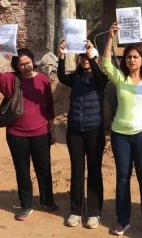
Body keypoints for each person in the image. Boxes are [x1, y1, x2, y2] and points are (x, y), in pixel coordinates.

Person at [101, 22, 142, 238]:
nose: (131, 60)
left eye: (135, 57)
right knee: (122, 178)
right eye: (128, 57)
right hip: (120, 134)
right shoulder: (120, 79)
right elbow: (105, 63)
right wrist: (111, 38)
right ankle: (123, 220)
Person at [0, 44, 59, 221]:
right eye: (21, 64)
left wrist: (51, 128)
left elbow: (49, 106)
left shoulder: (43, 80)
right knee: (22, 170)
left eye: (28, 62)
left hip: (41, 132)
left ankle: (47, 201)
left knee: (43, 169)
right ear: (16, 66)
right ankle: (26, 205)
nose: (25, 66)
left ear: (33, 62)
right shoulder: (12, 80)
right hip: (16, 134)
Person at [57, 39, 107, 229]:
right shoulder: (75, 78)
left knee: (94, 171)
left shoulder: (100, 79)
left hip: (95, 130)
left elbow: (101, 79)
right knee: (77, 171)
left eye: (88, 57)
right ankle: (76, 211)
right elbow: (61, 76)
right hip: (75, 132)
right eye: (82, 57)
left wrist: (92, 54)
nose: (85, 59)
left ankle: (94, 213)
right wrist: (62, 54)